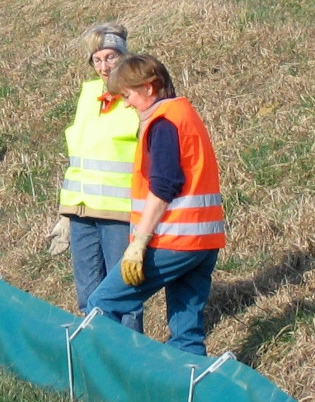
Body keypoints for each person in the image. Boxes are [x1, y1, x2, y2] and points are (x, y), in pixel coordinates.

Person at [86, 54, 225, 356]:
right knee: (187, 335)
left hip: (173, 241)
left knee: (102, 303)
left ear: (149, 88)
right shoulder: (184, 113)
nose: (127, 104)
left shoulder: (163, 123)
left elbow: (163, 187)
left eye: (128, 95)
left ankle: (120, 372)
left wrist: (139, 243)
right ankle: (189, 380)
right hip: (204, 242)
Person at [48, 23, 144, 332]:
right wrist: (65, 214)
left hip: (119, 213)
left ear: (124, 57)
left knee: (124, 294)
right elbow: (79, 155)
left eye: (111, 57)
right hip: (81, 212)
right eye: (97, 60)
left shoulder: (138, 97)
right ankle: (99, 352)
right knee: (88, 297)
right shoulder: (89, 95)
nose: (104, 67)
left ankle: (129, 353)